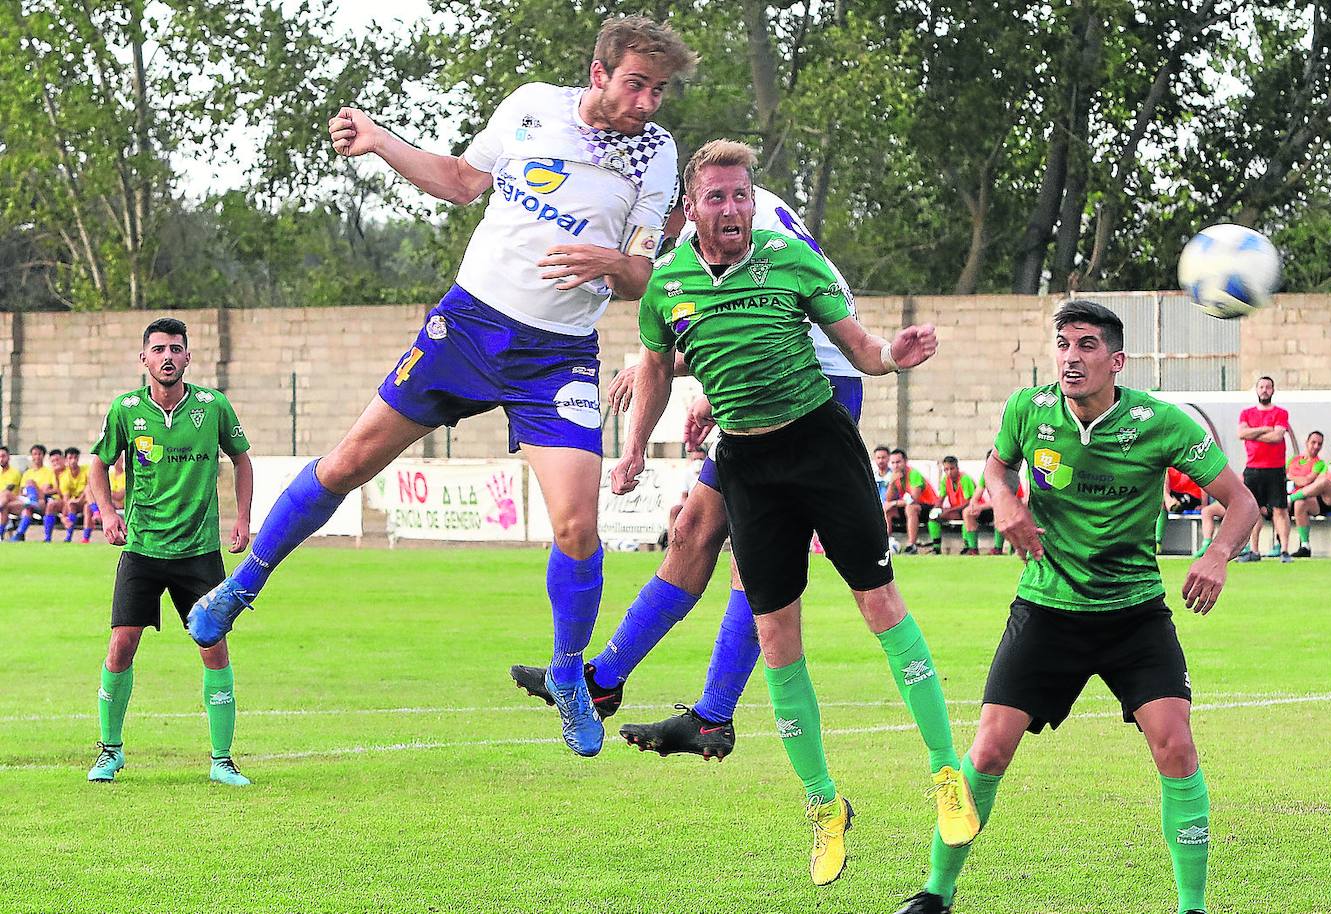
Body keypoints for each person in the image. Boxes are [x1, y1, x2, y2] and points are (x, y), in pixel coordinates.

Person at [185, 16, 697, 759]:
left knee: (578, 528)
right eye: (636, 84)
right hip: (467, 326)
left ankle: (566, 674)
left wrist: (613, 265)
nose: (649, 102)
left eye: (660, 90)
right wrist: (382, 141)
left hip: (555, 358)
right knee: (351, 459)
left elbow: (645, 273)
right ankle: (240, 589)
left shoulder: (655, 152)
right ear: (597, 73)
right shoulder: (530, 107)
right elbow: (461, 181)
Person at [611, 140, 980, 886]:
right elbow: (655, 365)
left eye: (742, 195)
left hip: (821, 448)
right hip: (748, 468)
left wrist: (894, 354)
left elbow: (861, 348)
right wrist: (634, 451)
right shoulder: (669, 284)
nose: (733, 210)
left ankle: (947, 776)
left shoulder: (791, 260)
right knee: (776, 637)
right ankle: (824, 807)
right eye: (717, 198)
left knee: (880, 604)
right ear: (694, 206)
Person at [894, 300, 1258, 914]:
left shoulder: (1160, 422)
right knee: (986, 751)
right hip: (1047, 609)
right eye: (1063, 344)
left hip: (1133, 613)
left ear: (1116, 361)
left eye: (1087, 345)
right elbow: (996, 464)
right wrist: (1004, 499)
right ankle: (936, 893)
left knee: (1175, 746)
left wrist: (1219, 554)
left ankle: (1192, 906)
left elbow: (1241, 499)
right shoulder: (1028, 410)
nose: (1072, 357)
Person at [510, 180, 869, 762]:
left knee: (757, 561)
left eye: (661, 228)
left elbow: (766, 315)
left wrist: (669, 368)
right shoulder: (729, 224)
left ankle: (713, 715)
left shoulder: (743, 219)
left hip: (814, 389)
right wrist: (701, 388)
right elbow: (737, 316)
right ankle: (603, 680)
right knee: (693, 533)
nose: (661, 246)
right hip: (762, 383)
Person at [85, 318, 254, 786]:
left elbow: (242, 459)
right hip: (142, 548)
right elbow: (98, 464)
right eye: (158, 349)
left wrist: (242, 519)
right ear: (144, 359)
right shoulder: (125, 410)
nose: (167, 357)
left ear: (187, 357)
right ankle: (110, 751)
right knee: (121, 644)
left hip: (199, 552)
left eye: (175, 349)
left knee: (212, 645)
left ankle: (222, 760)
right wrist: (107, 512)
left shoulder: (212, 406)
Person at [1235, 376, 1296, 563]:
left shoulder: (1281, 413)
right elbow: (1241, 434)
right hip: (1253, 468)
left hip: (1275, 468)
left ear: (1273, 390)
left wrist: (1253, 434)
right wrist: (1264, 429)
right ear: (1256, 389)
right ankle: (1254, 550)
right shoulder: (1246, 413)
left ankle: (1285, 550)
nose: (1264, 390)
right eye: (1261, 386)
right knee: (1253, 510)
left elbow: (1277, 437)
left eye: (1268, 387)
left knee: (1280, 509)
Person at [961, 451, 1025, 555]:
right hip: (994, 507)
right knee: (967, 512)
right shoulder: (986, 475)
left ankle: (998, 549)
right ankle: (973, 549)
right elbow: (977, 494)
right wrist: (973, 505)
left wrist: (980, 507)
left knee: (999, 509)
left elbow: (1002, 500)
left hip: (1013, 510)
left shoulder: (1009, 477)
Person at [885, 449, 937, 553]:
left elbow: (914, 499)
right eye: (893, 463)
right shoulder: (895, 476)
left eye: (898, 462)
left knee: (911, 508)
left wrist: (894, 503)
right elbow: (888, 499)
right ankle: (886, 543)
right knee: (887, 509)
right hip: (910, 506)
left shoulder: (913, 474)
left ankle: (911, 545)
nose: (896, 466)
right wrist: (891, 483)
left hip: (929, 506)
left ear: (905, 461)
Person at [1286, 430, 1326, 557]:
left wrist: (1291, 476)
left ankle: (1305, 545)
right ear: (1306, 442)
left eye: (1319, 444)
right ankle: (1278, 545)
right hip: (1288, 494)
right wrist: (1293, 477)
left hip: (1308, 499)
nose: (1316, 447)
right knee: (1275, 504)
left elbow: (1307, 481)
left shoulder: (1320, 463)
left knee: (1300, 503)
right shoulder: (1293, 460)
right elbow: (1283, 475)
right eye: (1313, 442)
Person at [931, 455, 977, 554]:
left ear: (957, 468)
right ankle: (936, 548)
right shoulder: (945, 480)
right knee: (933, 518)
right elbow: (941, 498)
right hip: (957, 509)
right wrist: (936, 509)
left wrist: (948, 511)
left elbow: (968, 502)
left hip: (973, 508)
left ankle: (968, 546)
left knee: (966, 514)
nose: (949, 472)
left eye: (952, 468)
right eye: (946, 469)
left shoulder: (965, 479)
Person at [8, 444, 54, 541]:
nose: (37, 456)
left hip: (41, 500)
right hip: (28, 500)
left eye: (39, 454)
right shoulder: (27, 473)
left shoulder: (49, 472)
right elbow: (21, 492)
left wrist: (33, 488)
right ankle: (19, 535)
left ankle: (33, 502)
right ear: (32, 456)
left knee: (30, 482)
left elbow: (45, 491)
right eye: (35, 454)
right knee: (27, 509)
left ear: (43, 456)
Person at [1157, 466, 1206, 552]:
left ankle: (1174, 505)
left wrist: (1204, 506)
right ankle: (1157, 540)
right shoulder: (1168, 468)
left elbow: (1204, 485)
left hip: (1191, 496)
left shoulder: (1194, 463)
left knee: (1177, 502)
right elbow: (1164, 485)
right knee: (1162, 503)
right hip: (1174, 496)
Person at [84, 453, 126, 544]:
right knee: (87, 499)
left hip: (121, 504)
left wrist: (104, 492)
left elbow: (120, 495)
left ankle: (97, 512)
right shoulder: (110, 475)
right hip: (111, 502)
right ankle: (85, 538)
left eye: (119, 460)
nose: (116, 462)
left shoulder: (125, 476)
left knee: (95, 493)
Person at [58, 447, 91, 543]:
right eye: (70, 458)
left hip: (86, 499)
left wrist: (80, 499)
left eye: (75, 458)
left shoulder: (86, 470)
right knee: (71, 505)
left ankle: (86, 538)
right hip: (74, 502)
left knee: (87, 507)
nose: (73, 461)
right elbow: (66, 498)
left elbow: (90, 487)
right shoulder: (64, 476)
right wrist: (64, 514)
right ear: (66, 460)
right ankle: (68, 536)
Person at [0, 446, 21, 537]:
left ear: (9, 457)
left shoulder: (15, 472)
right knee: (3, 506)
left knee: (5, 497)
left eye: (3, 456)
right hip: (3, 503)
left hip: (13, 500)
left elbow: (9, 490)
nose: (1, 459)